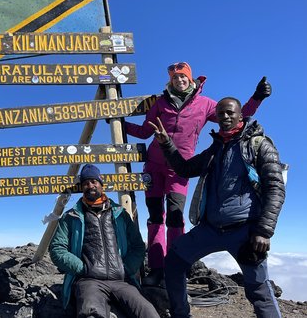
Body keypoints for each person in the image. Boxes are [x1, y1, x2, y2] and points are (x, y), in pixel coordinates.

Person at [122, 62, 271, 286]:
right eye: (174, 78)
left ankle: (176, 265)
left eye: (183, 77)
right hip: (153, 166)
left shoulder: (205, 104)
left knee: (174, 216)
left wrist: (257, 98)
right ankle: (157, 269)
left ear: (190, 79)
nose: (179, 81)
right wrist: (120, 124)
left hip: (180, 168)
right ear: (170, 81)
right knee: (154, 217)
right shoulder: (160, 102)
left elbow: (238, 115)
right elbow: (145, 132)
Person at [149, 97, 285, 318]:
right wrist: (166, 144)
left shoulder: (259, 145)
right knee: (173, 262)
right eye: (221, 113)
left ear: (241, 115)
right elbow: (184, 168)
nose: (225, 117)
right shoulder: (215, 148)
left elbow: (275, 188)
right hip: (210, 229)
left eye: (230, 112)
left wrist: (263, 231)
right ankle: (180, 314)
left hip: (245, 232)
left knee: (259, 290)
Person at [49, 164, 160, 318]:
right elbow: (56, 248)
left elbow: (137, 245)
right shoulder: (71, 217)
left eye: (94, 181)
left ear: (101, 185)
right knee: (91, 314)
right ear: (82, 188)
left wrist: (126, 268)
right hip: (89, 281)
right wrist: (83, 269)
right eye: (86, 183)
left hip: (122, 281)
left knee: (148, 312)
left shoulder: (120, 214)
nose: (90, 186)